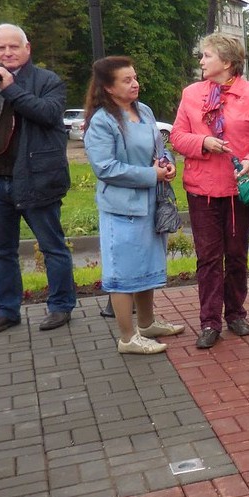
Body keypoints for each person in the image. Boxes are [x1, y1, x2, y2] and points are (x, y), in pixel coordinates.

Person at [0, 23, 77, 335]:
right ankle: (7, 310)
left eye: (13, 47)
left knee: (52, 246)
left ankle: (61, 306)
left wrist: (10, 87)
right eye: (0, 48)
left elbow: (48, 114)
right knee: (1, 251)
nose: (7, 53)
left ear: (27, 48)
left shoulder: (47, 81)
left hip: (36, 179)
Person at [170, 34, 249, 350]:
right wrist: (202, 142)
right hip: (201, 188)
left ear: (227, 62)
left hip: (238, 190)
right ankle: (209, 322)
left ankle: (235, 314)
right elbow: (176, 137)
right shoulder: (191, 94)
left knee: (236, 253)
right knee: (207, 257)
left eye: (206, 56)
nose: (201, 61)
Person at [82, 57, 185, 354]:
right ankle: (127, 337)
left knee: (147, 266)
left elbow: (160, 146)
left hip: (151, 202)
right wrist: (150, 174)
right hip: (122, 209)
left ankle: (148, 323)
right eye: (126, 80)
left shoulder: (145, 111)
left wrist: (167, 163)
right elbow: (105, 168)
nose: (135, 83)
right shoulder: (102, 122)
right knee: (124, 272)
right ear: (108, 88)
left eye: (135, 77)